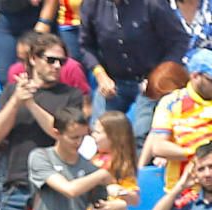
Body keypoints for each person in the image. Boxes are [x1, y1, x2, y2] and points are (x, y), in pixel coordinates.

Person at [0, 32, 85, 210]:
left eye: (61, 62)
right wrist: (16, 100)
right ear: (33, 58)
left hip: (52, 187)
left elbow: (59, 132)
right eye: (50, 60)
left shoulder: (70, 95)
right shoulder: (13, 91)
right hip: (17, 183)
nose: (57, 66)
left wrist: (30, 103)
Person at [80, 0, 190, 142]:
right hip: (113, 80)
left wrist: (159, 77)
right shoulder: (91, 5)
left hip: (149, 81)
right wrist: (100, 75)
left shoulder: (152, 4)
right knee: (98, 133)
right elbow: (86, 46)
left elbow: (179, 40)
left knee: (140, 134)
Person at [148, 49, 212, 191]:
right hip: (183, 190)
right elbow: (158, 147)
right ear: (195, 76)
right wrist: (199, 153)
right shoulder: (171, 102)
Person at [0, 0, 59, 87]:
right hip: (7, 18)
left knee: (45, 73)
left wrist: (45, 22)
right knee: (5, 76)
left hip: (39, 15)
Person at [6, 30, 90, 96]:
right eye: (21, 60)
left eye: (61, 61)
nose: (25, 65)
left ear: (33, 58)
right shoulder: (15, 71)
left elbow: (85, 107)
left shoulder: (71, 69)